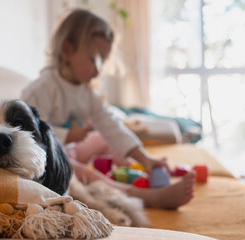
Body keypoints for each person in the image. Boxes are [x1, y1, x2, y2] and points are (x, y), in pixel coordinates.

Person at [21, 9, 195, 209]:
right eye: (95, 59)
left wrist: (145, 158)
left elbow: (111, 125)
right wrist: (67, 135)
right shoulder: (42, 88)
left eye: (103, 61)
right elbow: (31, 136)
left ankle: (129, 169)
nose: (99, 69)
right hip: (48, 159)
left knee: (104, 136)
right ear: (67, 51)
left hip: (70, 149)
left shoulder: (87, 92)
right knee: (78, 172)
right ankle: (143, 196)